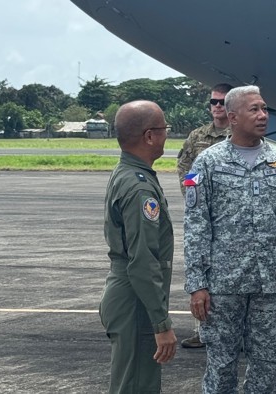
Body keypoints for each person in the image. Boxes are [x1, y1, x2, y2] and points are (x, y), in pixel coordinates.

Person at [183, 85, 276, 393]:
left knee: (267, 363)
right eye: (254, 109)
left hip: (269, 284)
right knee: (222, 363)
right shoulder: (206, 163)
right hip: (223, 285)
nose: (263, 115)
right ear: (232, 117)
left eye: (264, 108)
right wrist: (197, 284)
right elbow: (196, 224)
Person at [100, 100, 177, 393]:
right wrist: (161, 323)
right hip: (137, 300)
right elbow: (142, 261)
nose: (166, 134)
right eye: (163, 128)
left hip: (129, 294)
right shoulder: (140, 188)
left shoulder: (127, 174)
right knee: (136, 386)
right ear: (149, 136)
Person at [175, 82, 233, 349]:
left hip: (232, 217)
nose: (217, 107)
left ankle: (235, 332)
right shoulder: (197, 136)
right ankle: (202, 331)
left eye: (222, 102)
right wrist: (195, 196)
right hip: (203, 218)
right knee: (200, 271)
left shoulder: (241, 134)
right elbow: (185, 167)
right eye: (214, 102)